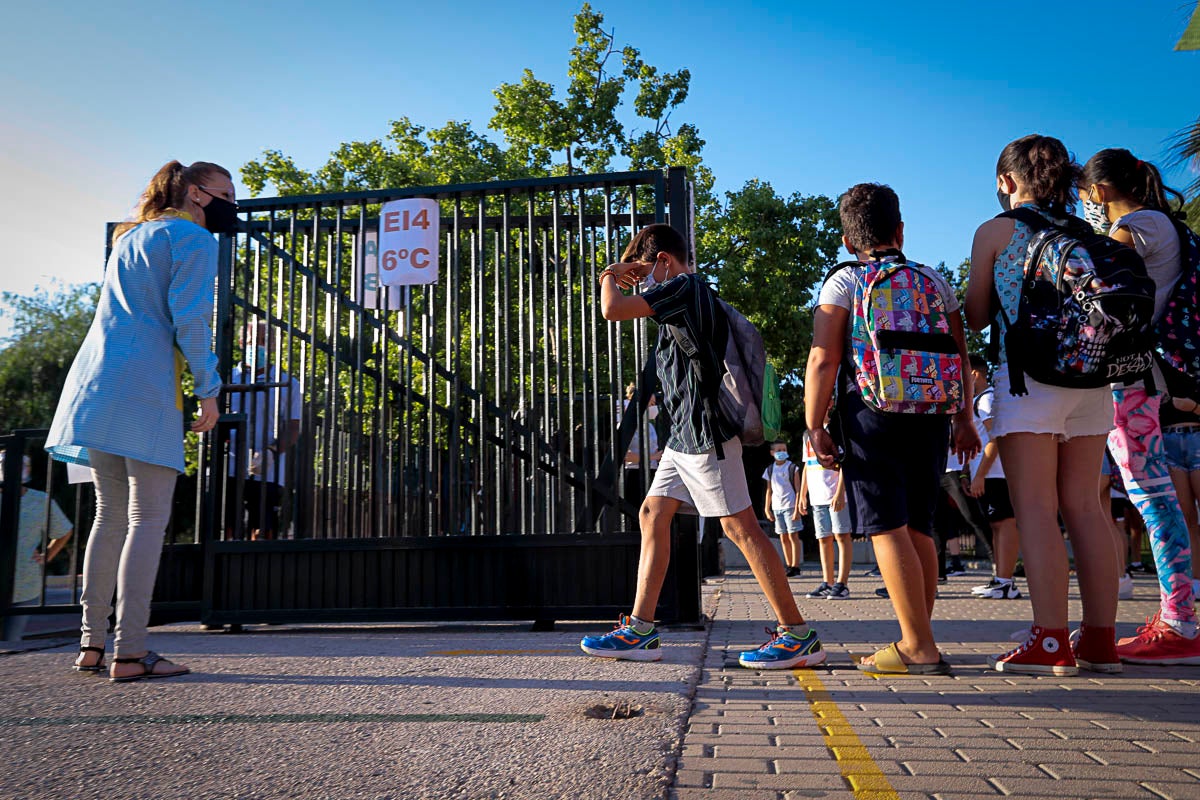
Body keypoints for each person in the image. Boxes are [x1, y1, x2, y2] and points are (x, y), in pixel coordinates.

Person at [580, 223, 826, 669]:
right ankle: (640, 629)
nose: (643, 282)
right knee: (652, 513)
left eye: (644, 270)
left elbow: (612, 309)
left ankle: (797, 633)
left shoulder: (682, 286)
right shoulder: (682, 293)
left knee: (741, 528)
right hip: (683, 435)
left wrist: (609, 274)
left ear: (662, 262)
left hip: (705, 432)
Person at [45, 160, 234, 682]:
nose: (231, 208)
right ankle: (131, 653)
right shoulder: (194, 240)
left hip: (95, 381)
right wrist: (209, 389)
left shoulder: (131, 238)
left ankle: (91, 645)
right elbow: (190, 318)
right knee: (146, 519)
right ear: (197, 194)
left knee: (109, 515)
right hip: (146, 385)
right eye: (226, 196)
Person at [806, 183, 979, 675]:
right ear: (900, 230)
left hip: (872, 412)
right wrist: (964, 418)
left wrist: (814, 424)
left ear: (846, 239)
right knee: (920, 525)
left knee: (885, 525)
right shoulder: (933, 279)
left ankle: (917, 646)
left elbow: (824, 358)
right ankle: (918, 636)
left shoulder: (844, 282)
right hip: (932, 414)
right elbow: (960, 354)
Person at [966, 135, 1119, 676]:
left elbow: (978, 314)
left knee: (1034, 508)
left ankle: (1051, 640)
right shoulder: (1089, 233)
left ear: (1008, 182)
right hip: (1093, 378)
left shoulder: (996, 231)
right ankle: (1101, 640)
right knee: (1086, 507)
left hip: (1028, 380)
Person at [1079, 148, 1200, 665]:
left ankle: (1180, 622)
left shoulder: (1135, 227)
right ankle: (1179, 613)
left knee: (1153, 499)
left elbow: (1103, 297)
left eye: (1085, 195)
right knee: (1154, 497)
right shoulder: (1165, 225)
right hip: (1147, 381)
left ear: (1100, 191)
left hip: (1134, 379)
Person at [226, 320, 303, 540]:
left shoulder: (288, 383)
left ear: (272, 347)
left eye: (264, 342)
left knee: (262, 532)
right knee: (226, 530)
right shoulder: (227, 378)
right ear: (242, 343)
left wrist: (271, 451)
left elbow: (293, 427)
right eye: (252, 341)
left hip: (268, 469)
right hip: (229, 467)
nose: (258, 347)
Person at [964, 355, 1022, 600]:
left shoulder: (986, 399)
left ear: (975, 374)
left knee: (1005, 524)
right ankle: (1000, 580)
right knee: (997, 526)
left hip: (996, 474)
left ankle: (1006, 582)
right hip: (990, 474)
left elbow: (996, 438)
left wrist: (980, 475)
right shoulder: (980, 399)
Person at [1, 456, 73, 641]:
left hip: (25, 585)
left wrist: (46, 556)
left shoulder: (40, 500)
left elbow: (64, 531)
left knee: (11, 643)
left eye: (23, 465)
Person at [799, 409, 852, 599]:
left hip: (836, 495)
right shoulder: (808, 435)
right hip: (817, 496)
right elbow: (807, 465)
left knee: (842, 536)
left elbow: (846, 463)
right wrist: (802, 494)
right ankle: (827, 582)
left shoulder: (837, 431)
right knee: (823, 538)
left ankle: (842, 584)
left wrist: (840, 492)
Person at [1160, 359, 1200, 600]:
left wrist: (1194, 408)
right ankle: (1194, 580)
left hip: (1197, 436)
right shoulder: (1159, 357)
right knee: (1185, 519)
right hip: (1168, 440)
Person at [763, 440, 804, 579]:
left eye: (784, 449)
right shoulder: (770, 470)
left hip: (790, 506)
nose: (782, 452)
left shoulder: (792, 468)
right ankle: (788, 565)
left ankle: (795, 566)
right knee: (783, 537)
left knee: (793, 536)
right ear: (772, 453)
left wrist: (797, 508)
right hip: (777, 507)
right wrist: (767, 509)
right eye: (778, 450)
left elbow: (798, 489)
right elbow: (769, 490)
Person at [621, 382, 662, 507]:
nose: (653, 406)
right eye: (651, 403)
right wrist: (652, 457)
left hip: (652, 472)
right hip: (634, 474)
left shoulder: (650, 425)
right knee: (636, 512)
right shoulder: (625, 425)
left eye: (654, 404)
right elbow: (624, 455)